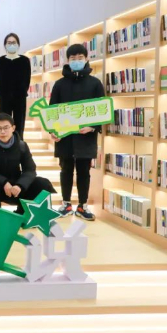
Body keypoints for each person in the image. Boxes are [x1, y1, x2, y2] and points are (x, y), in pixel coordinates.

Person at [50, 43, 105, 221]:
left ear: (86, 59)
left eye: (80, 58)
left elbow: (102, 110)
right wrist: (53, 131)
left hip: (86, 137)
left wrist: (93, 126)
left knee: (84, 172)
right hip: (65, 136)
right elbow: (52, 111)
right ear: (67, 60)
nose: (76, 61)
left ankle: (82, 206)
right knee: (65, 170)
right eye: (73, 58)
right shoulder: (59, 84)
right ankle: (66, 204)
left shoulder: (95, 83)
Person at [0, 113, 56, 214]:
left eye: (6, 128)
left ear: (13, 128)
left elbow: (30, 169)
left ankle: (22, 214)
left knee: (41, 183)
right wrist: (4, 182)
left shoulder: (21, 145)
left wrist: (20, 185)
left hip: (15, 186)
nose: (3, 131)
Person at [0, 33, 31, 139]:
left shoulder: (24, 60)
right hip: (4, 97)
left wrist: (22, 90)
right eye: (9, 43)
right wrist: (2, 91)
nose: (11, 45)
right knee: (4, 123)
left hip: (20, 97)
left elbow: (27, 79)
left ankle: (19, 144)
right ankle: (4, 143)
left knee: (19, 123)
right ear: (5, 45)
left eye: (14, 42)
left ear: (18, 44)